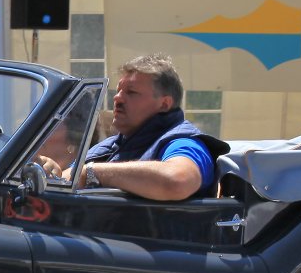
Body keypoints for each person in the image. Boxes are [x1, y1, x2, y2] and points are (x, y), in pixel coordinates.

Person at [72, 54, 222, 201]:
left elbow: (178, 181)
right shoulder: (109, 146)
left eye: (131, 92)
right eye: (118, 91)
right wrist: (59, 172)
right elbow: (70, 178)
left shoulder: (183, 143)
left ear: (164, 104)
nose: (117, 98)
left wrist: (92, 173)